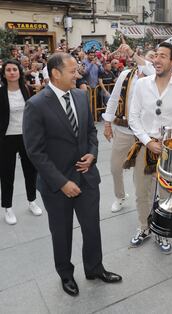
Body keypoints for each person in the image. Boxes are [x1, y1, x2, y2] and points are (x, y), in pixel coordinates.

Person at [22, 52, 121, 297]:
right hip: (57, 186)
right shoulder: (36, 105)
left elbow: (90, 132)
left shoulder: (80, 95)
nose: (78, 74)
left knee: (92, 228)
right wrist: (62, 183)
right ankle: (66, 275)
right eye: (72, 71)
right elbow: (35, 152)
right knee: (62, 232)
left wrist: (92, 154)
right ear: (55, 74)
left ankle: (95, 268)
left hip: (87, 178)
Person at [128, 42, 172, 254]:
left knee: (166, 193)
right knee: (142, 192)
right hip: (145, 146)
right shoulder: (142, 84)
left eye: (163, 56)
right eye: (156, 55)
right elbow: (133, 117)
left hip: (169, 150)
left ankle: (161, 231)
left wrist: (169, 139)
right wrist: (148, 141)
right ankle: (144, 227)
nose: (156, 60)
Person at [103, 48, 155, 213]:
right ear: (141, 57)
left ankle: (146, 202)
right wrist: (107, 123)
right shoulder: (126, 75)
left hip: (146, 135)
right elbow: (113, 98)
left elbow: (150, 69)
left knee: (142, 173)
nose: (153, 59)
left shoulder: (156, 78)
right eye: (151, 55)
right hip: (124, 130)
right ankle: (120, 196)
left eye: (157, 56)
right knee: (115, 167)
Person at [0, 60, 43, 225]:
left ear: (19, 72)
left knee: (30, 171)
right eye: (8, 70)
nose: (12, 72)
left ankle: (32, 201)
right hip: (6, 138)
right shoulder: (1, 92)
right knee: (7, 174)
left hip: (26, 136)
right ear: (4, 74)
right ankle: (8, 207)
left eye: (14, 69)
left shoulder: (26, 90)